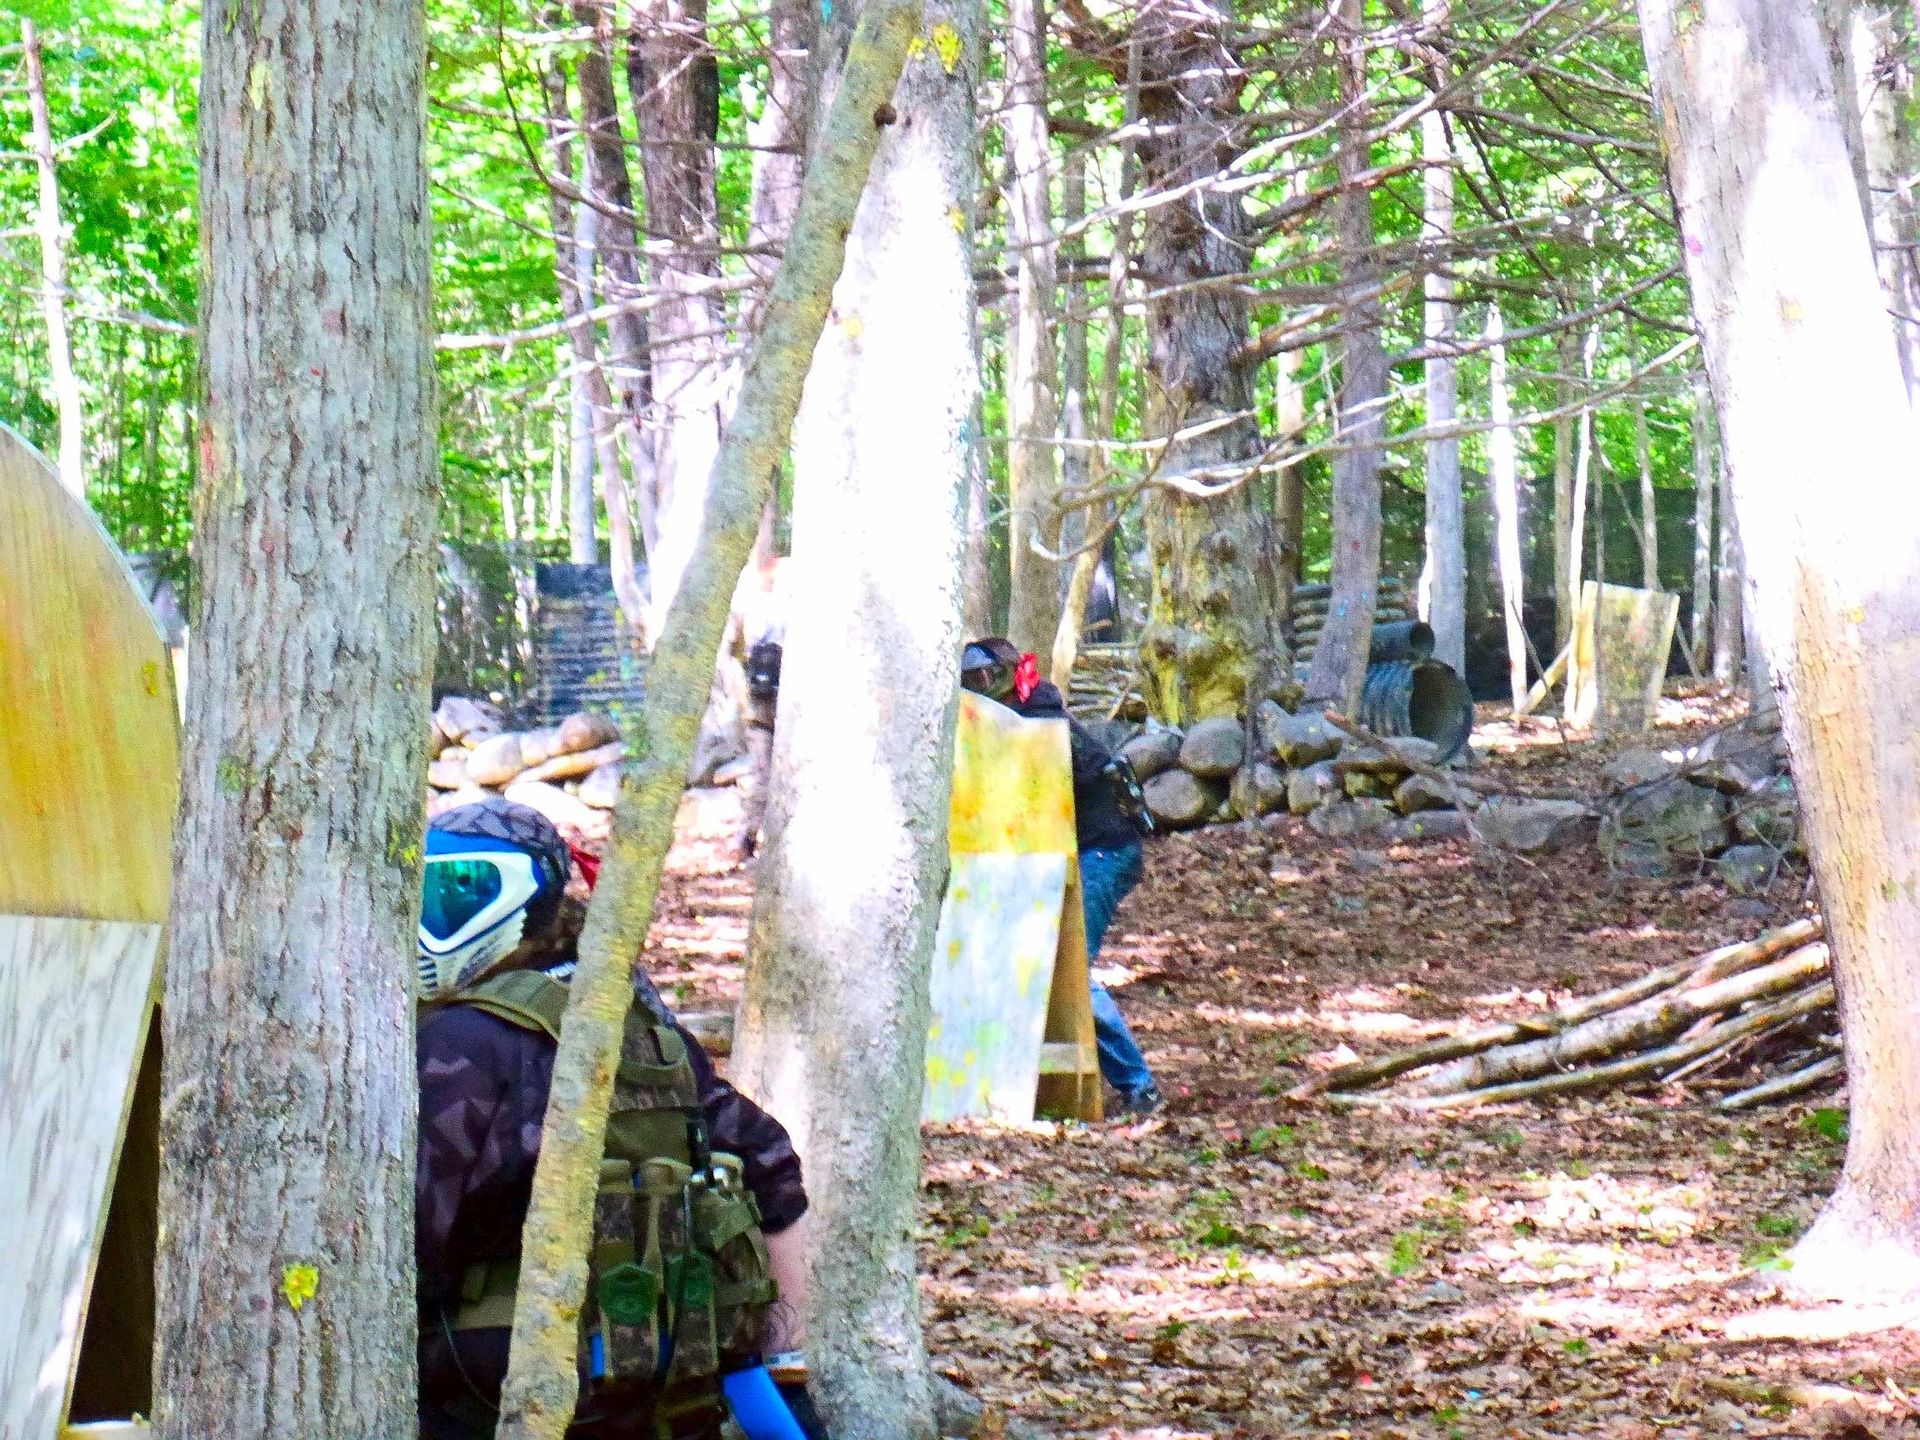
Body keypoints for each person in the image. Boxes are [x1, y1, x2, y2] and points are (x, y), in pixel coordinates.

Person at [414, 796, 823, 1439]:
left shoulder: (460, 1045)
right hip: (661, 1391)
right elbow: (767, 1155)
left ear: (522, 900)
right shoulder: (634, 1019)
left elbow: (401, 1250)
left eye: (462, 888)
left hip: (491, 1397)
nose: (431, 919)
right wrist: (786, 1367)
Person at [959, 638, 1164, 1117]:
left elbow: (1073, 771)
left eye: (985, 679)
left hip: (1105, 852)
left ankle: (1140, 1085)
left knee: (1071, 970)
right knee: (1045, 965)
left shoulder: (1039, 718)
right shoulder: (1011, 721)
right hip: (1071, 855)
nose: (980, 689)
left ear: (1009, 675)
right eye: (972, 683)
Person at [736, 639, 782, 858]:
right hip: (762, 718)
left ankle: (750, 837)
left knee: (762, 778)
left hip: (764, 718)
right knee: (762, 779)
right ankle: (749, 838)